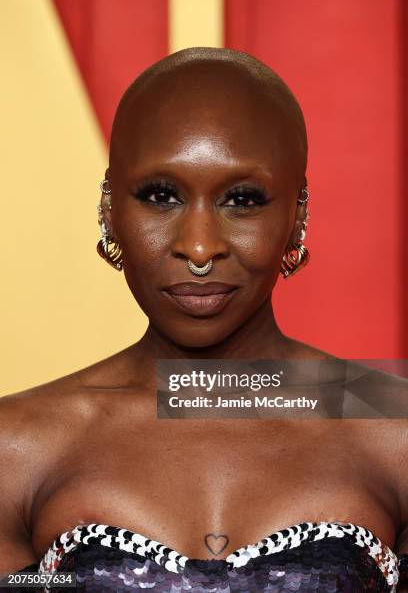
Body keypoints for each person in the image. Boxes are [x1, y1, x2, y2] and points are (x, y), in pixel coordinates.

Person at [0, 46, 408, 592]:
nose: (198, 247)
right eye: (161, 196)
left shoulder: (395, 428)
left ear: (297, 215)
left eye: (242, 200)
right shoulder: (17, 444)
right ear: (109, 210)